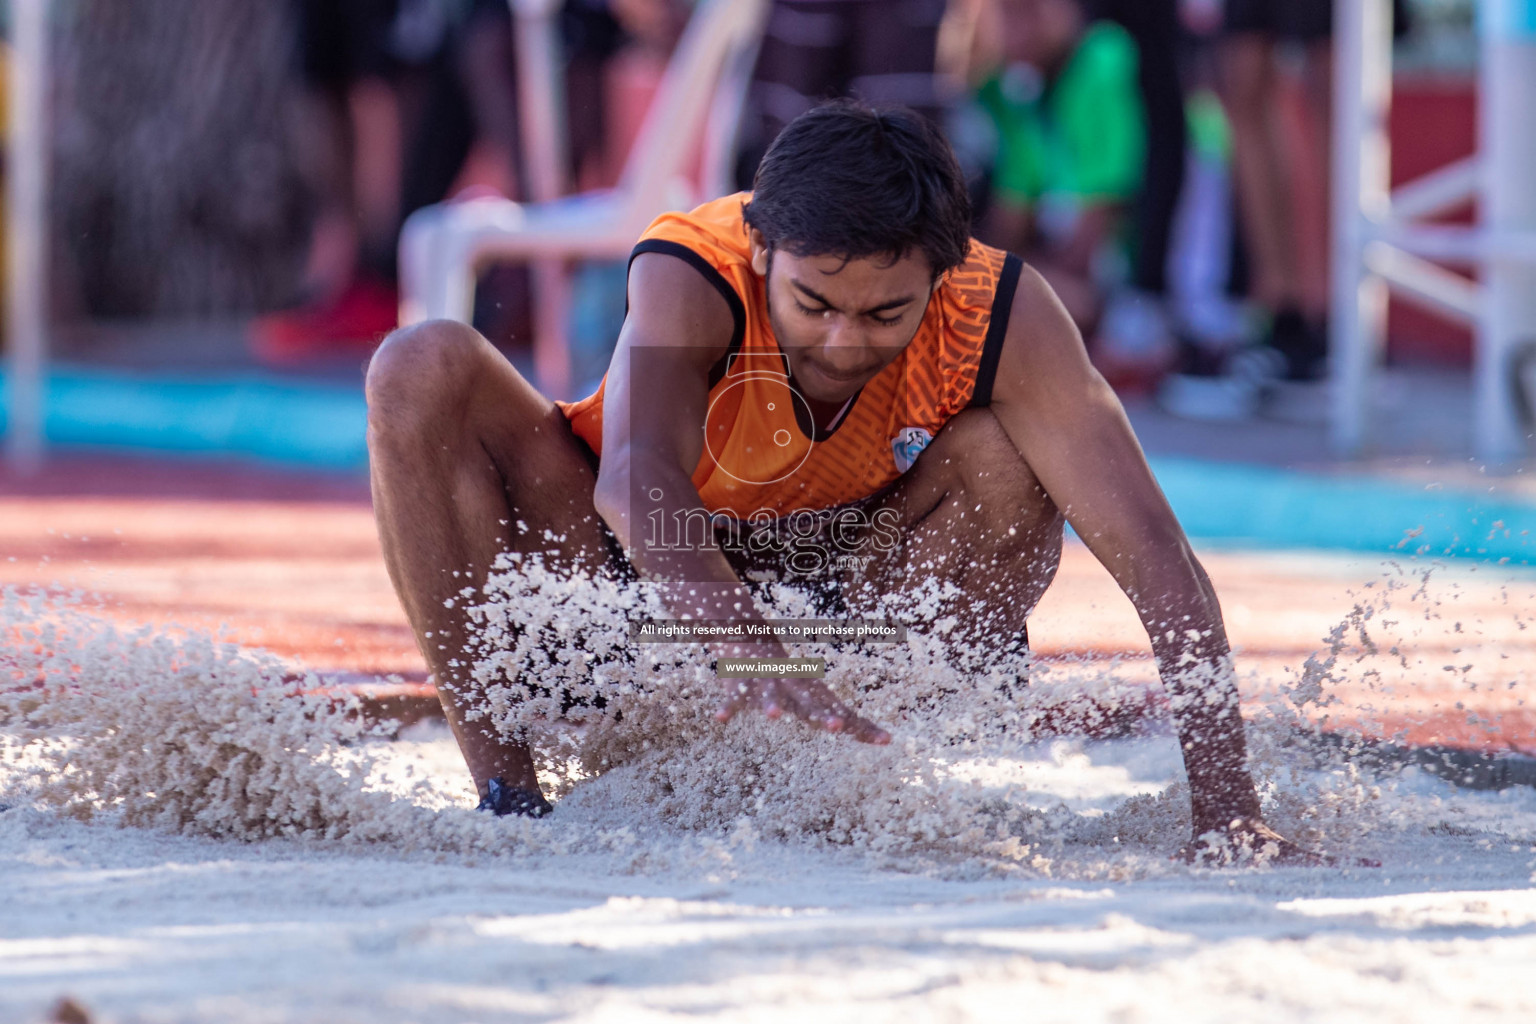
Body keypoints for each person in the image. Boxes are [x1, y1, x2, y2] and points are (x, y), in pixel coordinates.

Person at [366, 100, 1309, 860]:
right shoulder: (696, 264)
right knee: (419, 363)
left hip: (857, 619)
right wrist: (762, 659)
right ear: (764, 250)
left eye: (885, 313)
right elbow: (633, 477)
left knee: (1004, 461)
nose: (842, 342)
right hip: (629, 596)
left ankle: (862, 770)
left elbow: (1156, 558)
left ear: (940, 281)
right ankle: (508, 795)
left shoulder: (1004, 310)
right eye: (813, 304)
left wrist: (1228, 807)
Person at [964, 0, 1147, 352]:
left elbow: (1091, 242)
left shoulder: (1103, 57)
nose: (1016, 31)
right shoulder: (1015, 88)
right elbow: (1008, 230)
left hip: (1119, 288)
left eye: (1028, 10)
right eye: (1005, 14)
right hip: (1053, 271)